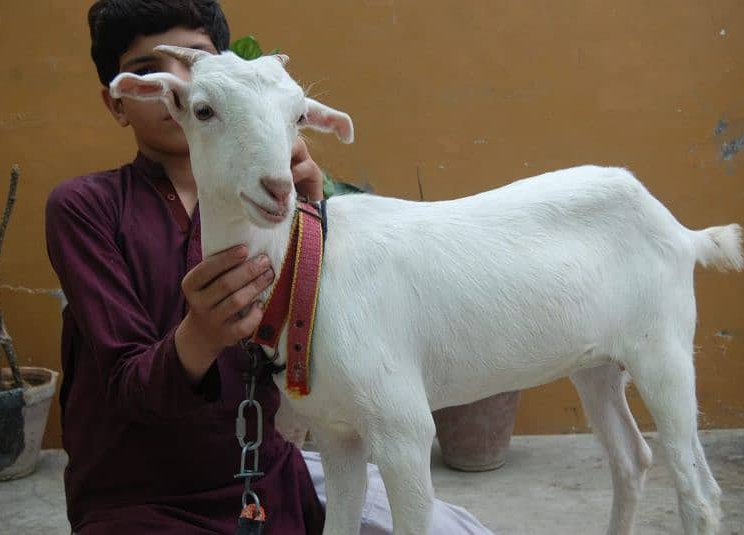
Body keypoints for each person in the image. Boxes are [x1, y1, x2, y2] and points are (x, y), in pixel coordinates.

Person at [45, 1, 494, 533]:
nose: (174, 85)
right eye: (147, 72)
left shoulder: (281, 199)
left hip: (265, 478)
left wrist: (312, 211)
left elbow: (336, 346)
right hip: (144, 496)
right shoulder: (85, 208)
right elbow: (124, 386)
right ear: (120, 100)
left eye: (194, 65)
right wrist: (200, 336)